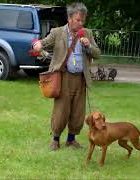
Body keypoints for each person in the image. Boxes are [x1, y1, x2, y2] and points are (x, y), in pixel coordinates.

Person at [32, 2, 101, 150]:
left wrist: (88, 46)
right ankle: (55, 139)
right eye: (78, 20)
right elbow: (43, 43)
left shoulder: (87, 33)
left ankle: (71, 139)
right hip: (63, 77)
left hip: (81, 78)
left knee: (78, 111)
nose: (81, 23)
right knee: (61, 110)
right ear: (69, 18)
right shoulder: (57, 32)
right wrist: (37, 45)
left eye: (83, 20)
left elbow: (97, 53)